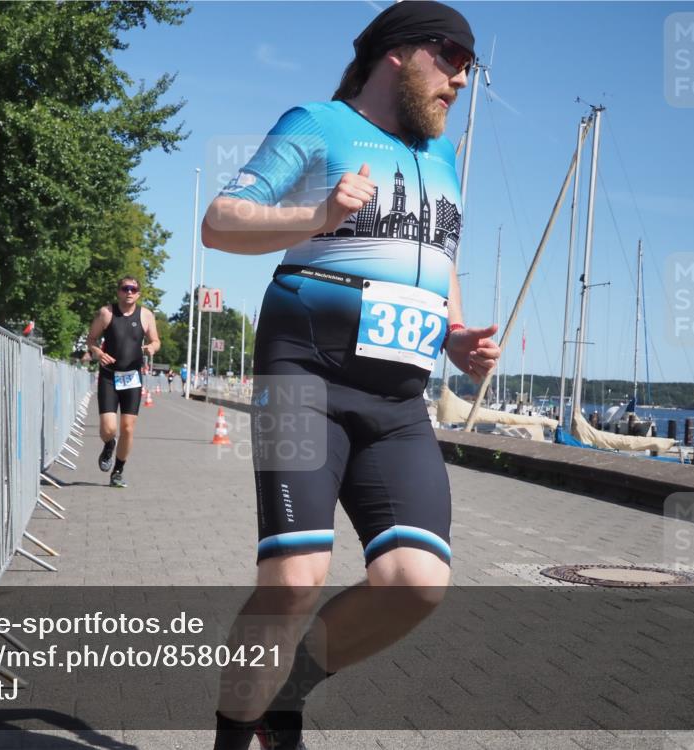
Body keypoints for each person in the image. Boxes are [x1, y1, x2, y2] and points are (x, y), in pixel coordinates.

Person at [200, 3, 500, 748]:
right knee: (294, 581)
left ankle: (285, 693)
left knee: (417, 581)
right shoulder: (320, 123)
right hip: (302, 377)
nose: (462, 78)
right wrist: (318, 218)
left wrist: (458, 337)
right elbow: (219, 220)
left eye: (470, 64)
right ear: (399, 54)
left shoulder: (445, 160)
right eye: (453, 56)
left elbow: (441, 261)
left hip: (398, 400)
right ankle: (234, 735)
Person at [86, 276, 161, 488]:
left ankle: (118, 471)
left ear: (138, 293)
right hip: (109, 376)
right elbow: (91, 339)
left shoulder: (146, 315)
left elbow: (156, 341)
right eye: (125, 288)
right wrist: (98, 352)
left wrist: (153, 347)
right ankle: (109, 445)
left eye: (133, 289)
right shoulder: (106, 313)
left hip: (132, 378)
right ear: (118, 291)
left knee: (127, 429)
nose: (129, 292)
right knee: (108, 428)